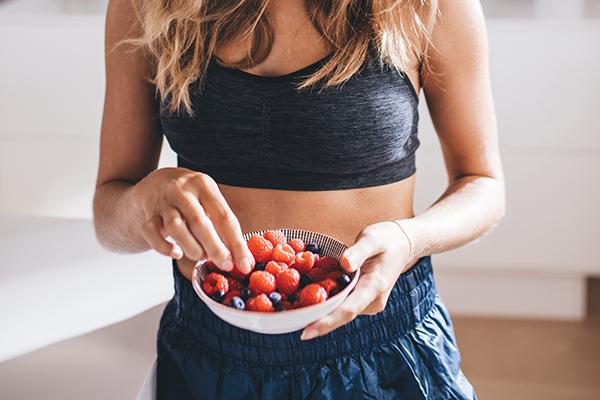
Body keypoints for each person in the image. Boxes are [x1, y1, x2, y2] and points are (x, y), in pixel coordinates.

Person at [94, 0, 505, 398]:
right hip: (207, 348)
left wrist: (409, 238)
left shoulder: (425, 4)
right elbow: (108, 216)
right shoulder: (147, 4)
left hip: (378, 346)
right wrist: (142, 201)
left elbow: (483, 184)